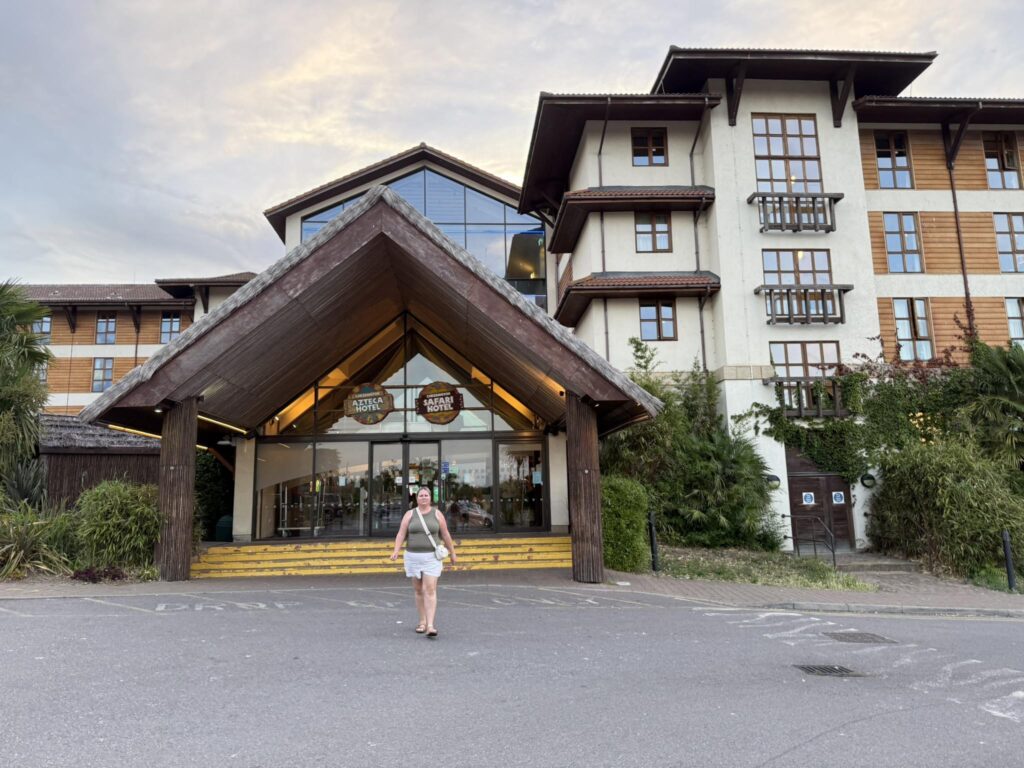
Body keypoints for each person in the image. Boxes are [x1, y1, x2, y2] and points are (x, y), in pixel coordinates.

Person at [389, 486, 457, 638]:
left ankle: (430, 625)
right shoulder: (409, 514)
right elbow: (401, 534)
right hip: (413, 557)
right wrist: (396, 550)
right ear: (417, 498)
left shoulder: (437, 514)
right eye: (421, 495)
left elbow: (445, 534)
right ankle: (422, 621)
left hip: (431, 558)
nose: (424, 497)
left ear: (430, 498)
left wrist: (452, 552)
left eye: (426, 495)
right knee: (419, 590)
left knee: (430, 589)